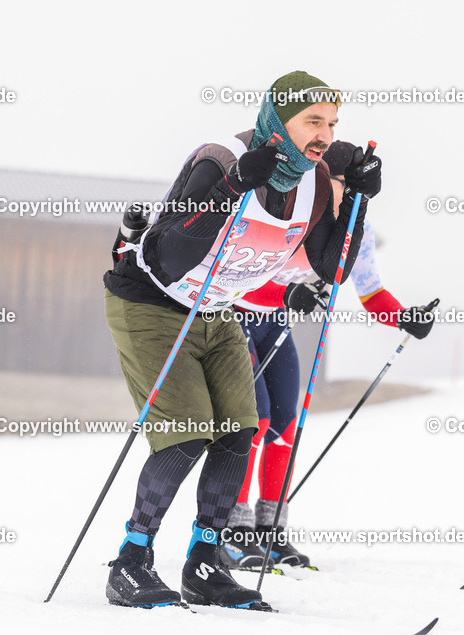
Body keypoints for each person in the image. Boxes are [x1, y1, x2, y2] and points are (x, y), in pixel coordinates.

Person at [101, 71, 382, 609]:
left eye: (331, 123)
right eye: (312, 121)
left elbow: (330, 267)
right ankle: (130, 562)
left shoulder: (317, 183)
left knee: (238, 432)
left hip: (218, 308)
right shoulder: (220, 160)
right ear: (280, 120)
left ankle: (204, 565)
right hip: (152, 302)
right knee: (186, 433)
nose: (323, 134)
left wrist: (357, 202)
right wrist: (234, 188)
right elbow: (169, 254)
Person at [222, 140, 436, 571]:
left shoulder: (357, 228)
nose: (345, 193)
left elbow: (371, 291)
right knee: (254, 420)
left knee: (286, 422)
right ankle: (233, 531)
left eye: (352, 186)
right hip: (237, 318)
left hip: (275, 323)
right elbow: (238, 270)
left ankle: (270, 531)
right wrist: (287, 291)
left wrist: (405, 317)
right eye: (339, 183)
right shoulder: (297, 212)